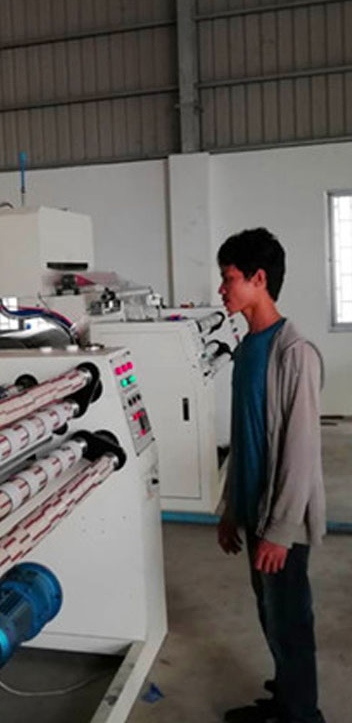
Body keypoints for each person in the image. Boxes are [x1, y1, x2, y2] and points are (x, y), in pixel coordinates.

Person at [216, 228, 326, 723]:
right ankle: (284, 701)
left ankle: (304, 715)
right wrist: (229, 510)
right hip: (254, 510)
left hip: (282, 521)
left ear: (259, 279)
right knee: (271, 614)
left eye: (229, 278)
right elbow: (243, 439)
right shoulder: (246, 350)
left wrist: (281, 532)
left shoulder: (294, 352)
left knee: (291, 622)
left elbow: (301, 451)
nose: (222, 289)